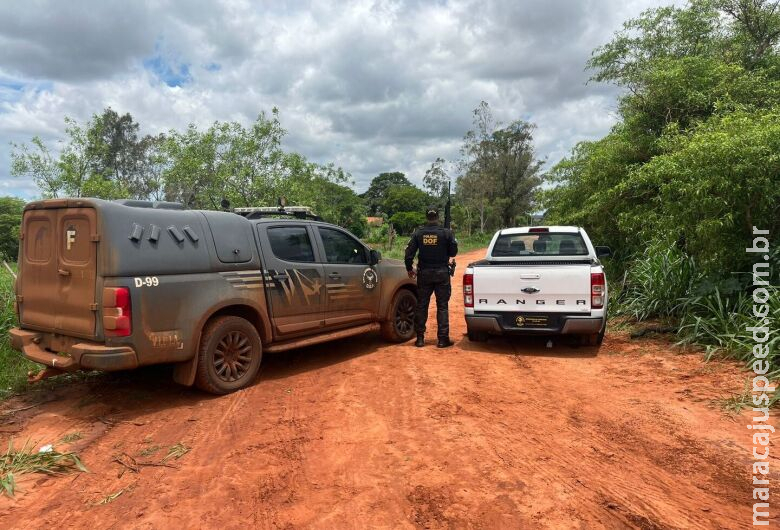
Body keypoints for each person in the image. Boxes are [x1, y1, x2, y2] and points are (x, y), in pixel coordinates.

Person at [404, 206, 458, 348]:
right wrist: (449, 238)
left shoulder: (419, 233)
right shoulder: (446, 233)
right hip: (441, 273)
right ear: (438, 217)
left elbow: (409, 254)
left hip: (424, 274)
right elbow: (454, 252)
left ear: (426, 217)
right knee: (442, 307)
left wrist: (409, 269)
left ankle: (420, 339)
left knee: (422, 305)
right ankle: (442, 339)